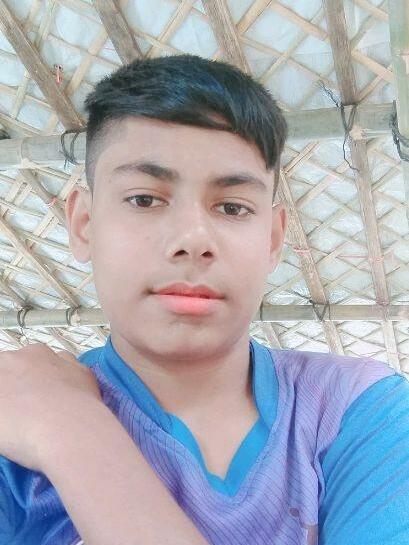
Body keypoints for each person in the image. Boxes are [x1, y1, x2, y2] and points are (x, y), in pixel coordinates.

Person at [0, 53, 408, 545]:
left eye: (232, 207)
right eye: (144, 199)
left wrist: (70, 430)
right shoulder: (12, 443)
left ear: (274, 238)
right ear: (84, 224)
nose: (193, 240)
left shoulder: (354, 410)